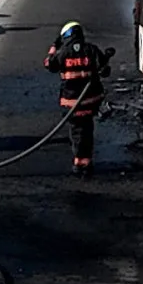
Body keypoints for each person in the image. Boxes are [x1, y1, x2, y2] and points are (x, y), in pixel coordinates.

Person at [43, 21, 109, 175]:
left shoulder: (63, 53)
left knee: (76, 130)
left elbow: (49, 64)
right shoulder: (91, 49)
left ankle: (80, 160)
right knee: (87, 128)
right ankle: (85, 159)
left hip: (71, 102)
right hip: (91, 100)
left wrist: (54, 47)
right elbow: (103, 67)